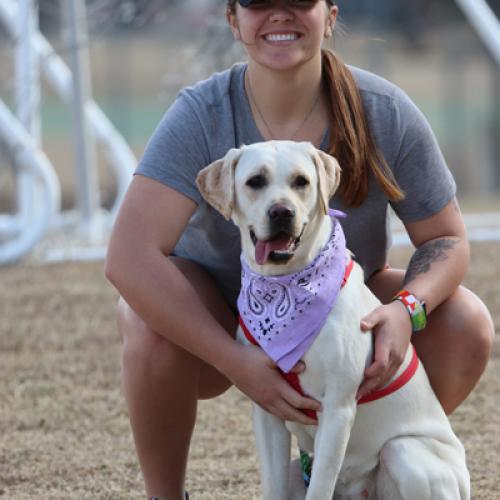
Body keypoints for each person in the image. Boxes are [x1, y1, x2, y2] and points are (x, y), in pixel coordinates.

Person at [104, 1, 495, 498]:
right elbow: (128, 257)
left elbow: (447, 238)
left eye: (297, 1)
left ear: (330, 15)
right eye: (258, 2)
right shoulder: (201, 114)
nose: (279, 15)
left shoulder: (383, 108)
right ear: (233, 20)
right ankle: (165, 494)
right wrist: (235, 359)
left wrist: (406, 309)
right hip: (222, 315)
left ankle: (369, 470)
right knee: (143, 319)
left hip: (344, 300)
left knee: (465, 322)